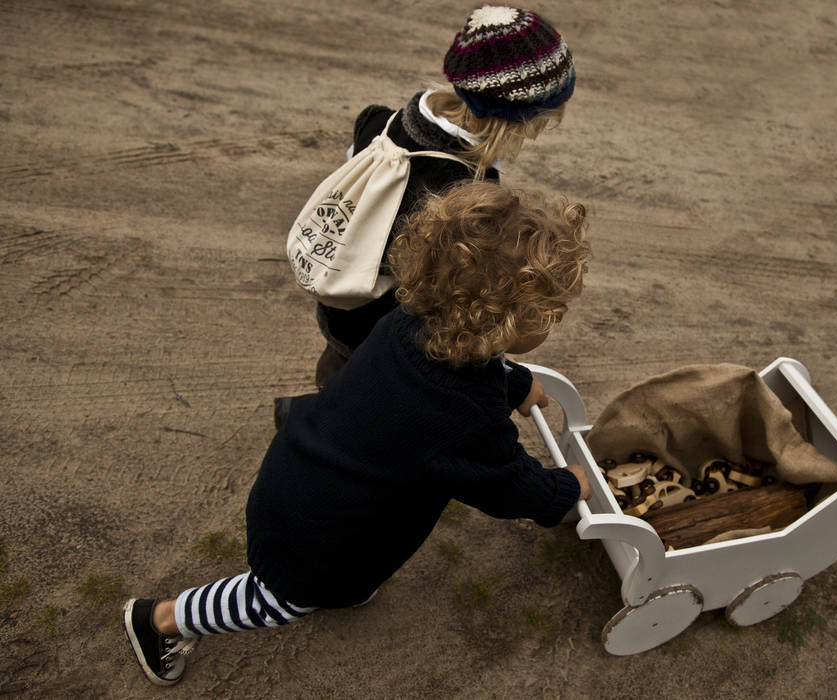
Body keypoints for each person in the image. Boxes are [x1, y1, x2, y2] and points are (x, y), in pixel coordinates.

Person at [123, 181, 593, 686]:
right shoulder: (465, 418)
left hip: (304, 471)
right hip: (319, 531)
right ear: (507, 321)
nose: (553, 322)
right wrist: (567, 488)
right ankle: (161, 619)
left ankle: (342, 586)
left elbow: (471, 372)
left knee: (341, 576)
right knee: (279, 601)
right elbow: (505, 483)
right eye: (549, 314)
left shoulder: (408, 323)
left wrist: (515, 382)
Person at [274, 5, 576, 427]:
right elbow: (451, 303)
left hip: (341, 295)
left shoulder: (386, 120)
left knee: (342, 371)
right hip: (388, 330)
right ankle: (310, 428)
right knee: (381, 411)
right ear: (521, 119)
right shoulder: (466, 196)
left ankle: (318, 412)